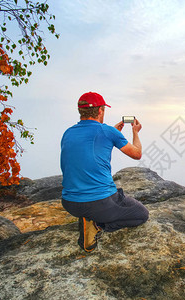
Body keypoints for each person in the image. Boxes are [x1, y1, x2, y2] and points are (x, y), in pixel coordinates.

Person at [60, 92, 149, 252]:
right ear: (101, 110)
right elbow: (137, 154)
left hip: (70, 203)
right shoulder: (107, 132)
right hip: (98, 204)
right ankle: (96, 224)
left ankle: (89, 218)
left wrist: (112, 132)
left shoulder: (68, 133)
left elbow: (85, 151)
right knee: (141, 214)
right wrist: (135, 132)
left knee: (110, 198)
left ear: (81, 110)